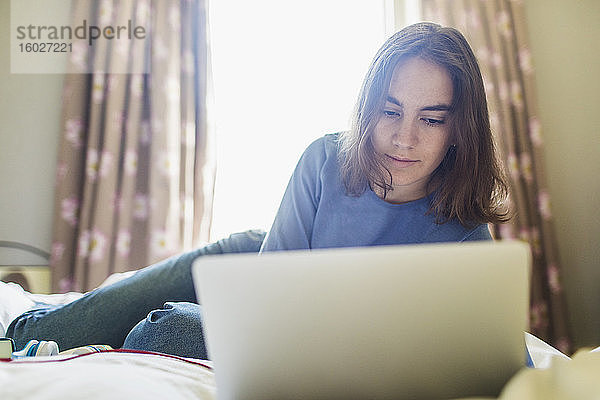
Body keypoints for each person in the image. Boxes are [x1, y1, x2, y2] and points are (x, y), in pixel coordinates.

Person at [6, 22, 508, 359]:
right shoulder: (325, 158)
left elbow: (499, 368)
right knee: (49, 331)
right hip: (256, 259)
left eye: (431, 119)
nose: (404, 138)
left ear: (459, 128)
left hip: (299, 322)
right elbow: (265, 304)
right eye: (390, 111)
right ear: (368, 109)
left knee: (166, 328)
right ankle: (27, 317)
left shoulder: (464, 234)